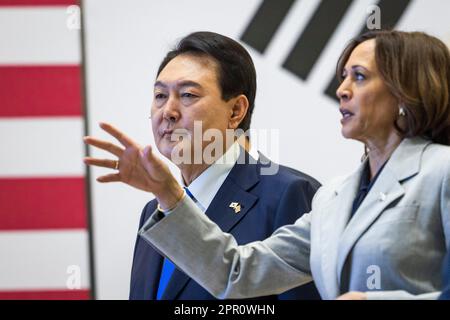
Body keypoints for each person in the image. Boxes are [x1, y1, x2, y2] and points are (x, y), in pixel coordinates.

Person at [84, 30, 450, 299]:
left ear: (407, 91)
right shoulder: (334, 199)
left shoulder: (442, 171)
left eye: (359, 77)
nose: (341, 90)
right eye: (342, 78)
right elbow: (236, 272)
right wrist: (168, 194)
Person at [85, 31, 321, 300]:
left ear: (235, 112)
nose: (168, 112)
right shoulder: (155, 211)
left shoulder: (287, 195)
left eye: (187, 95)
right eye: (160, 95)